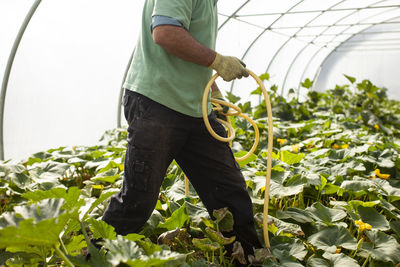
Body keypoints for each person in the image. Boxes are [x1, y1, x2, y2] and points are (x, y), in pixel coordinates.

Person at [102, 0, 262, 263]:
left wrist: (212, 91)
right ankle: (92, 255)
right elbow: (165, 32)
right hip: (157, 104)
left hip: (194, 109)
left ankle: (247, 257)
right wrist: (218, 61)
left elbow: (190, 41)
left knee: (230, 192)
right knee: (137, 202)